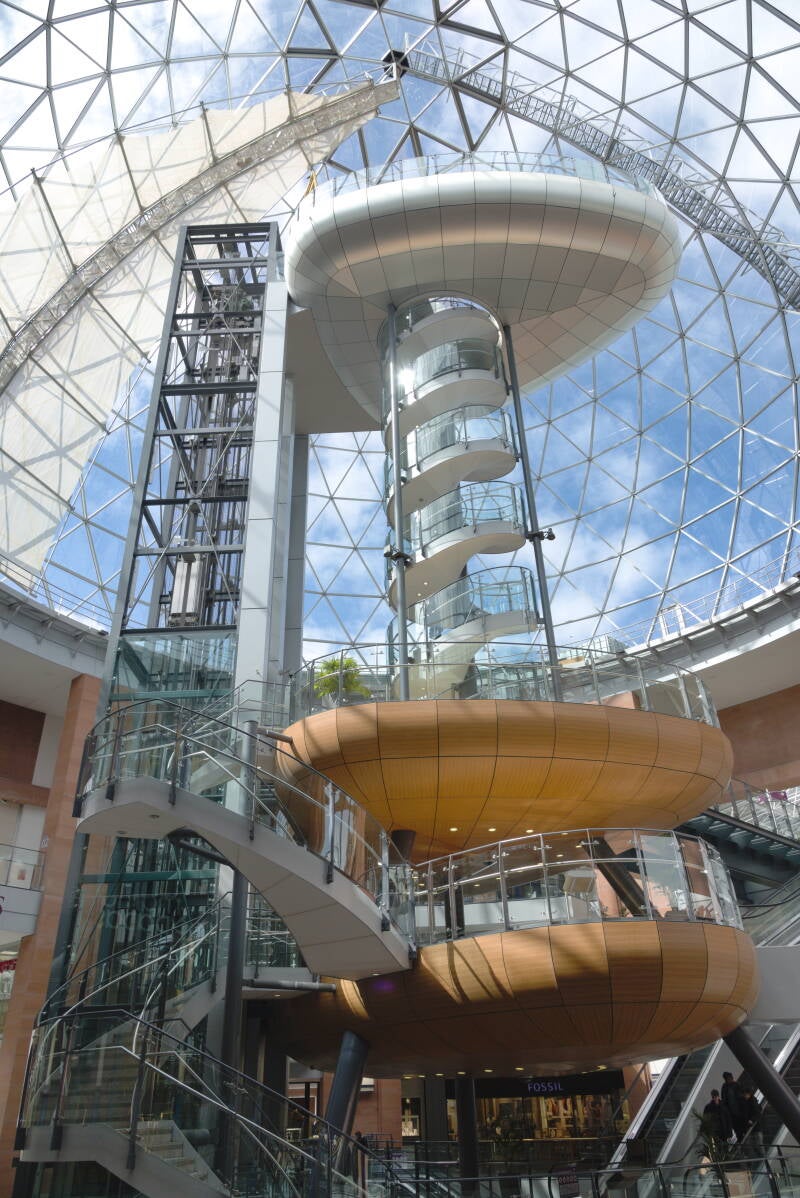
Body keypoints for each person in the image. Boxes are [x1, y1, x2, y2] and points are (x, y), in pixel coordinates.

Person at [721, 1071, 746, 1141]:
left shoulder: (736, 1085)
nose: (728, 1080)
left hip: (737, 1112)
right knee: (736, 1128)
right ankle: (740, 1138)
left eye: (729, 1078)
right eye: (727, 1079)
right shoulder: (725, 1086)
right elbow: (724, 1099)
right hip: (732, 1112)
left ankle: (741, 1138)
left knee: (739, 1128)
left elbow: (740, 1097)